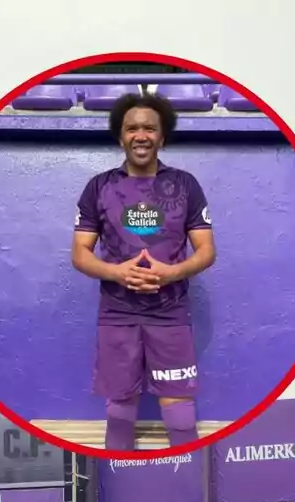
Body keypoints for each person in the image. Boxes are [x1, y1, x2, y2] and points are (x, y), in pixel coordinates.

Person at [71, 91, 217, 451]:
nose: (141, 135)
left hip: (170, 314)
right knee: (120, 412)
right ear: (121, 137)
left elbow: (207, 250)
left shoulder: (185, 185)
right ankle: (114, 495)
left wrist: (171, 273)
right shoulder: (99, 187)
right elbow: (79, 254)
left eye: (150, 128)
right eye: (132, 128)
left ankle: (190, 493)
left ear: (161, 137)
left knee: (180, 416)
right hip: (117, 315)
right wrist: (117, 272)